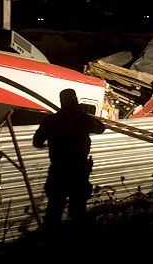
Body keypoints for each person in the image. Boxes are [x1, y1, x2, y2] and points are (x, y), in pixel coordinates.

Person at [33, 88, 105, 233]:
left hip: (58, 171)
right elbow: (100, 128)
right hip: (78, 172)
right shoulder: (81, 119)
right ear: (75, 100)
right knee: (78, 210)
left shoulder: (51, 120)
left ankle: (50, 241)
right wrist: (80, 113)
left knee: (54, 209)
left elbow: (38, 142)